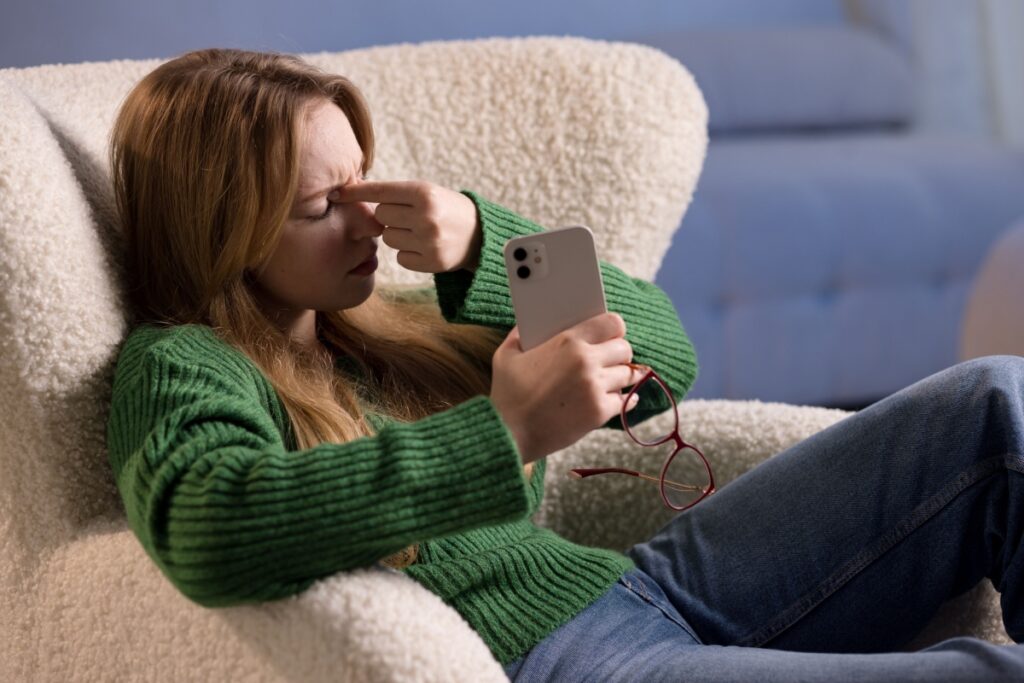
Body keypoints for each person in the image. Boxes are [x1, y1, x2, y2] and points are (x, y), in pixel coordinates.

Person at [105, 48, 1024, 682]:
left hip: (639, 588)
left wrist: (482, 247)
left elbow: (663, 361)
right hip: (565, 664)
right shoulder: (183, 361)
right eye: (321, 206)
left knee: (995, 400)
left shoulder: (386, 324)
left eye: (363, 183)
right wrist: (504, 432)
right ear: (221, 223)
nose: (367, 222)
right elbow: (211, 526)